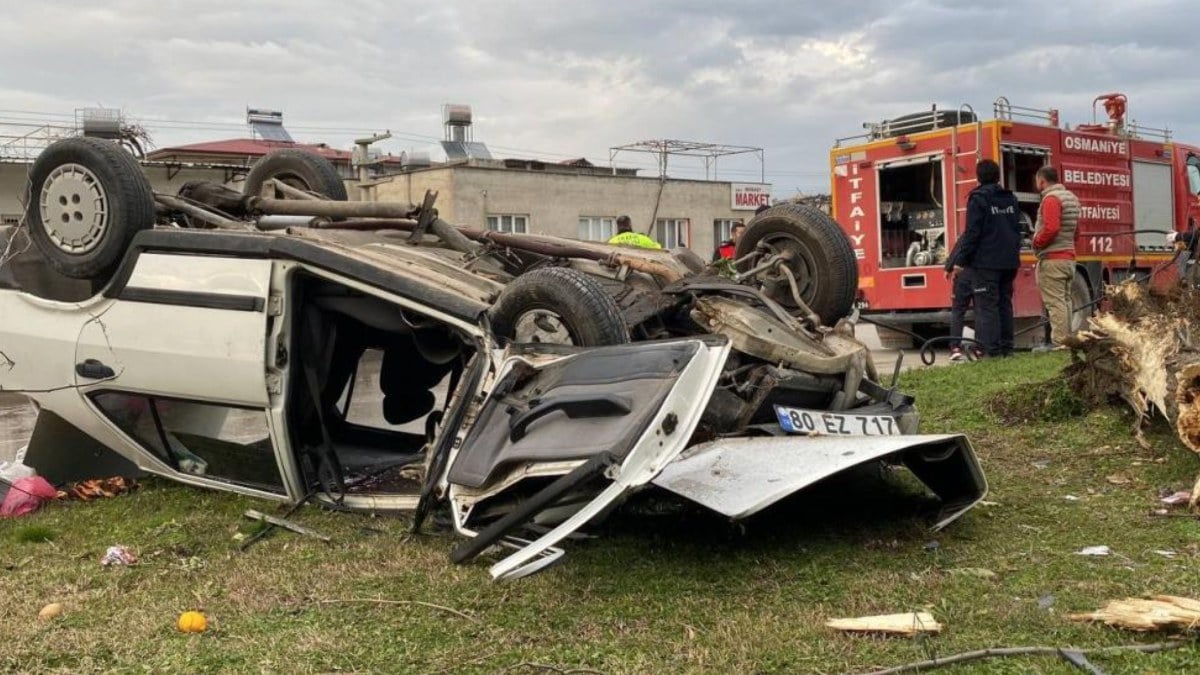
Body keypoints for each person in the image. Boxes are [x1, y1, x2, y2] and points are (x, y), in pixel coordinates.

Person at [947, 160, 1022, 357]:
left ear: (978, 177)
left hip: (987, 263)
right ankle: (1007, 348)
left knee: (987, 307)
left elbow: (972, 234)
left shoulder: (978, 198)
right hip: (1010, 262)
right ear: (998, 176)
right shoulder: (1010, 198)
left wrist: (960, 261)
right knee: (1005, 304)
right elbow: (1017, 229)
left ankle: (991, 352)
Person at [1031, 166, 1080, 347]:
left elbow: (1051, 228)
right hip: (1068, 258)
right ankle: (1067, 339)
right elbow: (1076, 231)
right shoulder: (1072, 198)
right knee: (1065, 300)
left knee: (1055, 302)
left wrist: (1036, 241)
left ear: (1042, 181)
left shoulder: (1051, 199)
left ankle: (1060, 342)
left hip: (1053, 259)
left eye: (1037, 181)